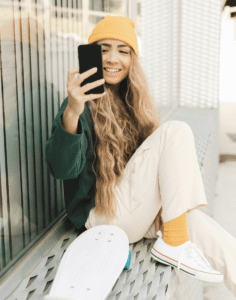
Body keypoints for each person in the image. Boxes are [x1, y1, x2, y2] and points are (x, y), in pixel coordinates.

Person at [45, 16, 236, 296]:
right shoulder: (78, 104)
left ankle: (176, 239)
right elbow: (61, 168)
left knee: (208, 233)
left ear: (132, 60)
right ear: (91, 56)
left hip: (129, 211)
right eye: (103, 49)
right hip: (100, 219)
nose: (113, 58)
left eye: (123, 51)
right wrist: (72, 110)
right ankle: (173, 242)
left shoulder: (132, 99)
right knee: (176, 131)